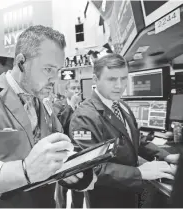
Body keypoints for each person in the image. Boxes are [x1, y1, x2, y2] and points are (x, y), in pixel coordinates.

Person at [0, 25, 95, 208]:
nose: (55, 79)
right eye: (48, 69)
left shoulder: (45, 105)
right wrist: (23, 171)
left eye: (58, 71)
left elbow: (56, 155)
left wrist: (73, 173)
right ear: (21, 62)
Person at [69, 53, 179, 208]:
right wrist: (139, 173)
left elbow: (135, 139)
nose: (120, 85)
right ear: (95, 80)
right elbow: (90, 168)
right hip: (108, 199)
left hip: (130, 192)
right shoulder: (84, 117)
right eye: (112, 79)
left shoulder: (122, 106)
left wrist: (166, 156)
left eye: (124, 78)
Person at [54, 80, 84, 208]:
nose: (77, 90)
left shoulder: (84, 106)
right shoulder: (57, 105)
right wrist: (71, 106)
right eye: (73, 88)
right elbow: (59, 126)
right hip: (63, 153)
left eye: (78, 88)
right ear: (66, 91)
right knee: (62, 188)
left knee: (79, 186)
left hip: (80, 152)